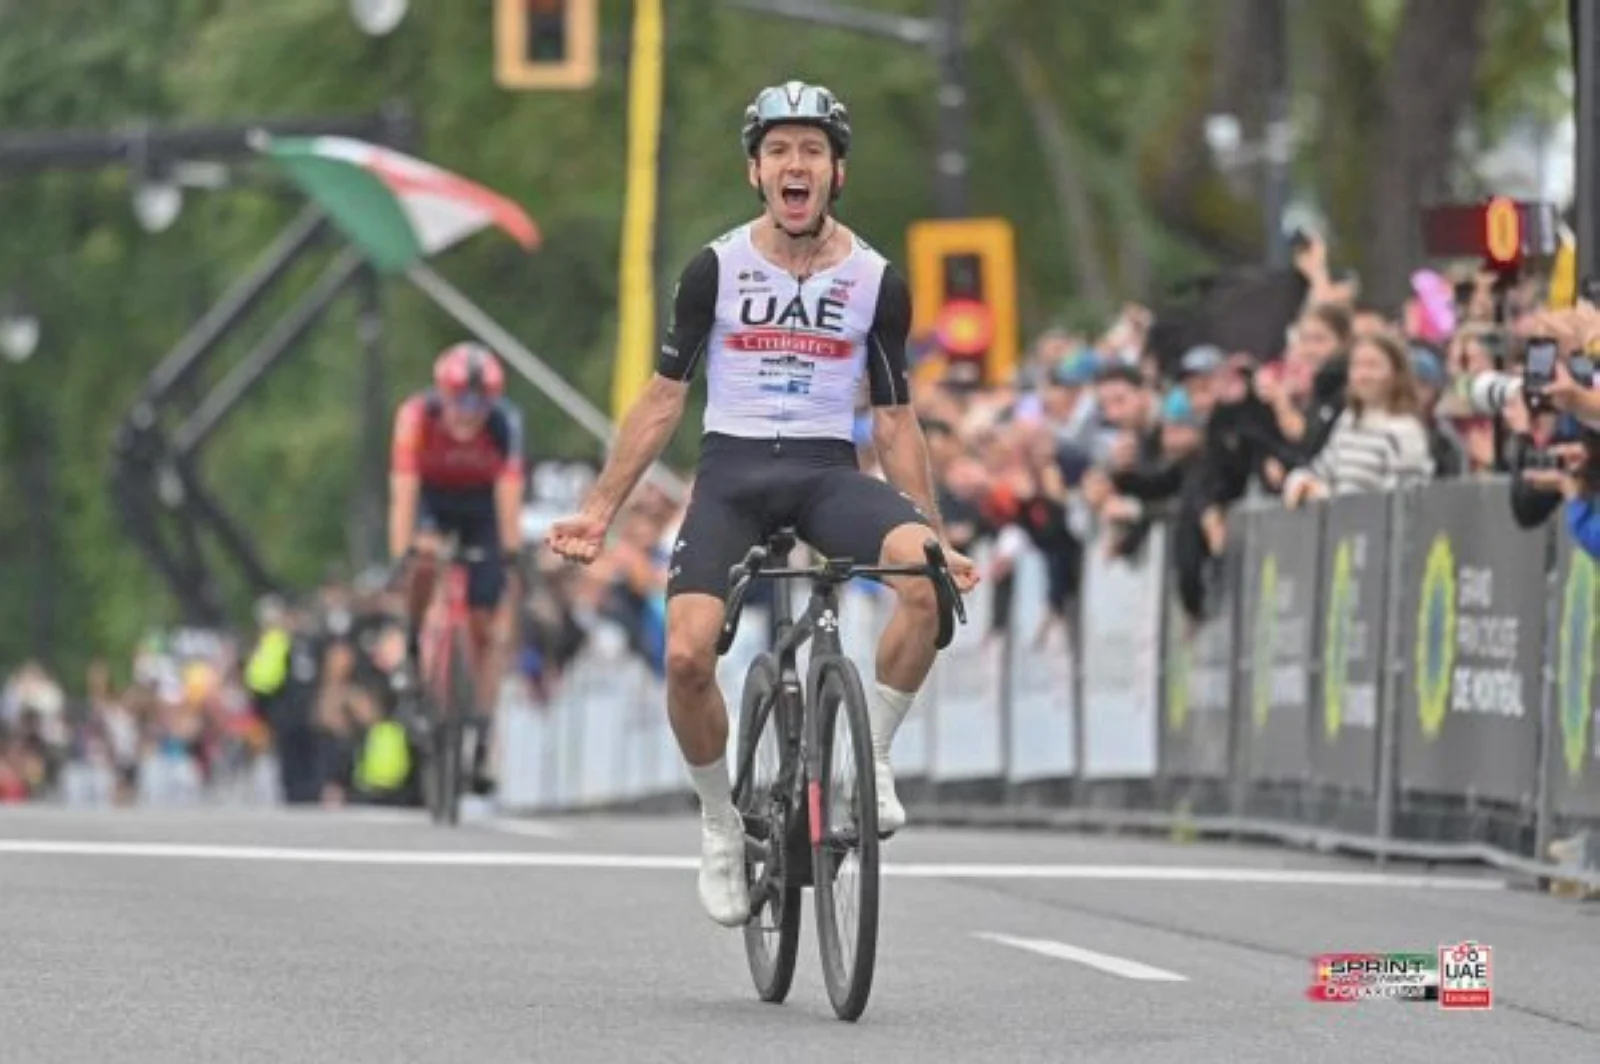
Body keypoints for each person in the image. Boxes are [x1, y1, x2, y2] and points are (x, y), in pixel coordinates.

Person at [546, 81, 978, 928]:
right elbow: (664, 399)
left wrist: (932, 530)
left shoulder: (876, 280)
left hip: (826, 470)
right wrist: (600, 511)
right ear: (756, 171)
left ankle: (871, 758)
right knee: (687, 657)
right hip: (734, 473)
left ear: (835, 173)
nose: (795, 164)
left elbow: (893, 420)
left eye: (811, 151)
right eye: (779, 150)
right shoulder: (716, 268)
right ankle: (717, 823)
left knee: (928, 585)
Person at [388, 341, 526, 797]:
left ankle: (482, 736)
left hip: (481, 507)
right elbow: (404, 492)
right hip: (433, 499)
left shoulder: (505, 424)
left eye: (479, 402)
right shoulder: (417, 417)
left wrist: (509, 554)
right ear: (442, 394)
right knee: (424, 556)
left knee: (490, 625)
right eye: (459, 400)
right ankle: (412, 644)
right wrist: (402, 554)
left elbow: (509, 496)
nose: (469, 412)